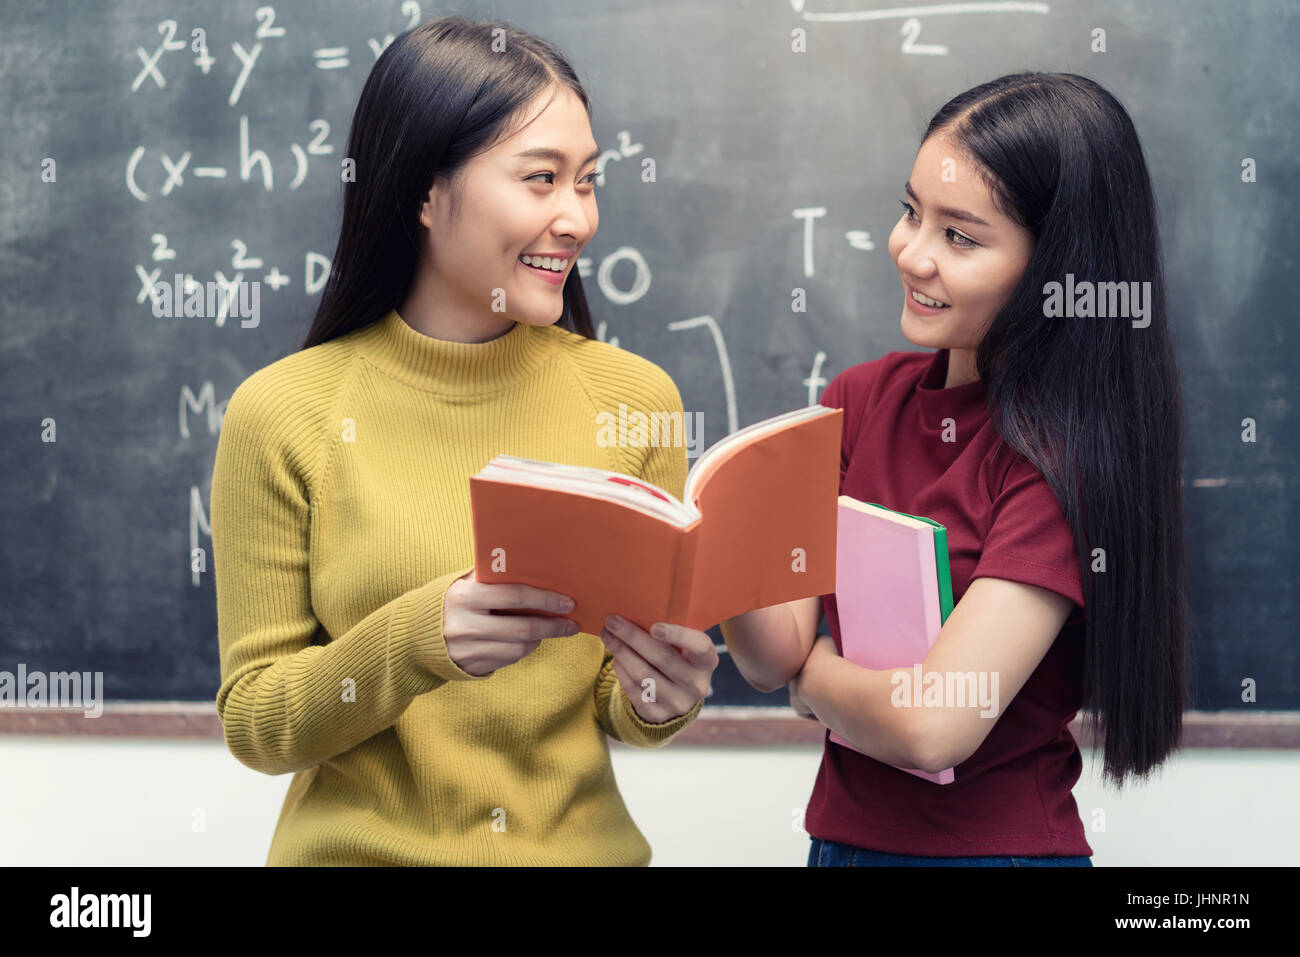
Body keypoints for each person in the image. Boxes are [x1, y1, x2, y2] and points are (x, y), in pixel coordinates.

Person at [211, 16, 717, 866]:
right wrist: (418, 639)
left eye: (587, 182)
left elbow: (612, 700)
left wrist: (659, 695)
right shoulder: (283, 413)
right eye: (540, 178)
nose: (577, 218)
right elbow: (257, 722)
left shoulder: (635, 401)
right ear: (424, 191)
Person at [721, 72, 1189, 866]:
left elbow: (934, 724)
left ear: (1054, 271)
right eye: (911, 212)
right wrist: (724, 547)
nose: (912, 253)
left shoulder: (1057, 458)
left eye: (960, 238)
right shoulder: (857, 400)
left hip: (995, 855)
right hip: (840, 844)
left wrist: (816, 680)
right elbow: (770, 657)